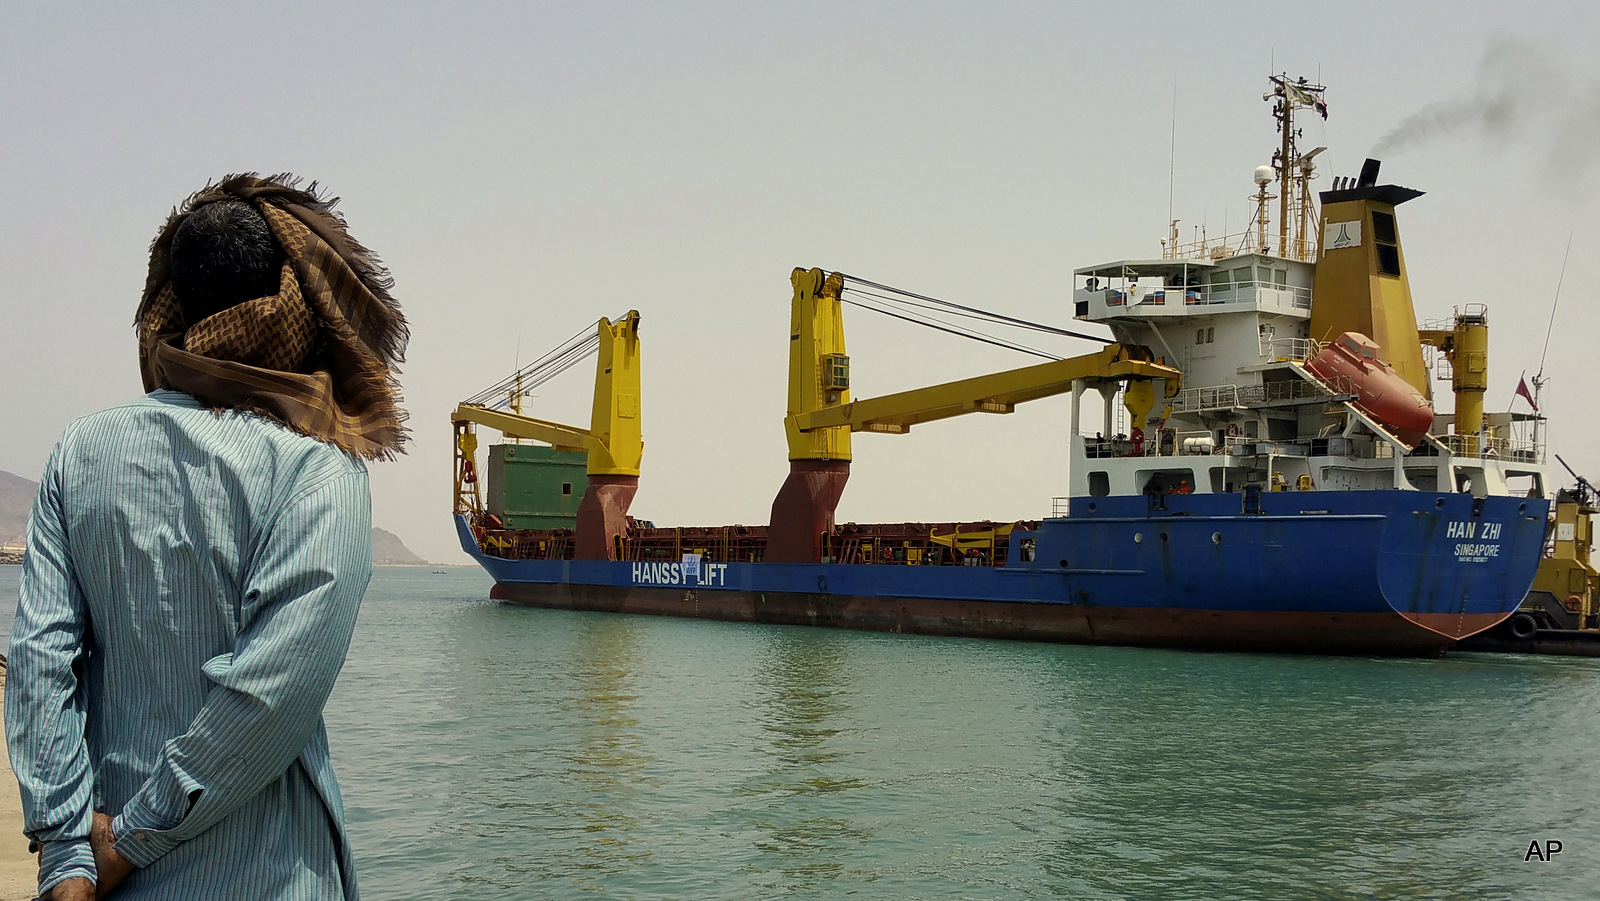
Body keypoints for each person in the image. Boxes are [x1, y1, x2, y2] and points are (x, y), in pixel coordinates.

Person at [6, 175, 408, 900]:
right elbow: (270, 695)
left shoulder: (80, 451)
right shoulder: (320, 473)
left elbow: (39, 660)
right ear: (293, 305)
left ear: (175, 304)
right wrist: (131, 835)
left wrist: (68, 855)